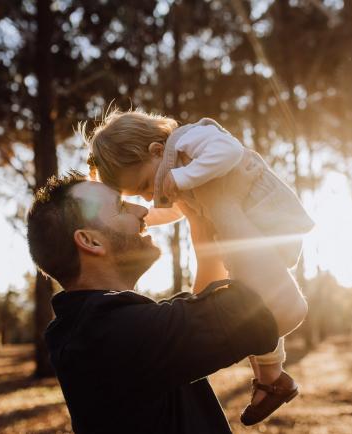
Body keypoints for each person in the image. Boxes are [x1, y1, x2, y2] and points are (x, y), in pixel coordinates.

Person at [25, 170, 307, 433]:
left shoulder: (92, 328)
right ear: (90, 241)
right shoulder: (116, 334)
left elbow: (201, 303)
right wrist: (221, 200)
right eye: (122, 207)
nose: (142, 210)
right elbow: (283, 307)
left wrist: (199, 219)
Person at [82, 109, 314, 425]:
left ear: (156, 150)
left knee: (258, 303)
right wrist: (142, 217)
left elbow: (229, 151)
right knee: (250, 303)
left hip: (270, 221)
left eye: (146, 185)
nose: (151, 195)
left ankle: (271, 376)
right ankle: (271, 378)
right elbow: (174, 210)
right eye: (139, 195)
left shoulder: (191, 141)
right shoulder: (175, 171)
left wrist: (181, 179)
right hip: (253, 234)